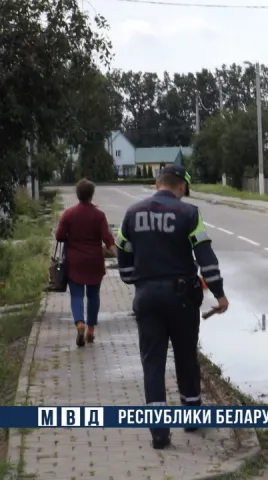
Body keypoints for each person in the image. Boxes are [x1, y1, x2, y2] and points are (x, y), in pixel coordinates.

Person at [115, 164, 229, 449]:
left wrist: (134, 280)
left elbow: (123, 251)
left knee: (152, 362)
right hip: (181, 298)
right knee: (185, 355)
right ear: (180, 187)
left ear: (157, 184)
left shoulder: (131, 214)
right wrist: (219, 293)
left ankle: (158, 432)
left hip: (147, 297)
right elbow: (205, 255)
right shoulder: (189, 214)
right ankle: (191, 416)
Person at [55, 179, 116, 347]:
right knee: (93, 295)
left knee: (76, 295)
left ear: (77, 194)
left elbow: (59, 235)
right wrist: (118, 254)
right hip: (95, 261)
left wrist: (72, 238)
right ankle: (90, 330)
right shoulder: (99, 215)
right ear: (91, 194)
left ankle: (79, 323)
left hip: (75, 261)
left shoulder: (69, 214)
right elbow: (108, 239)